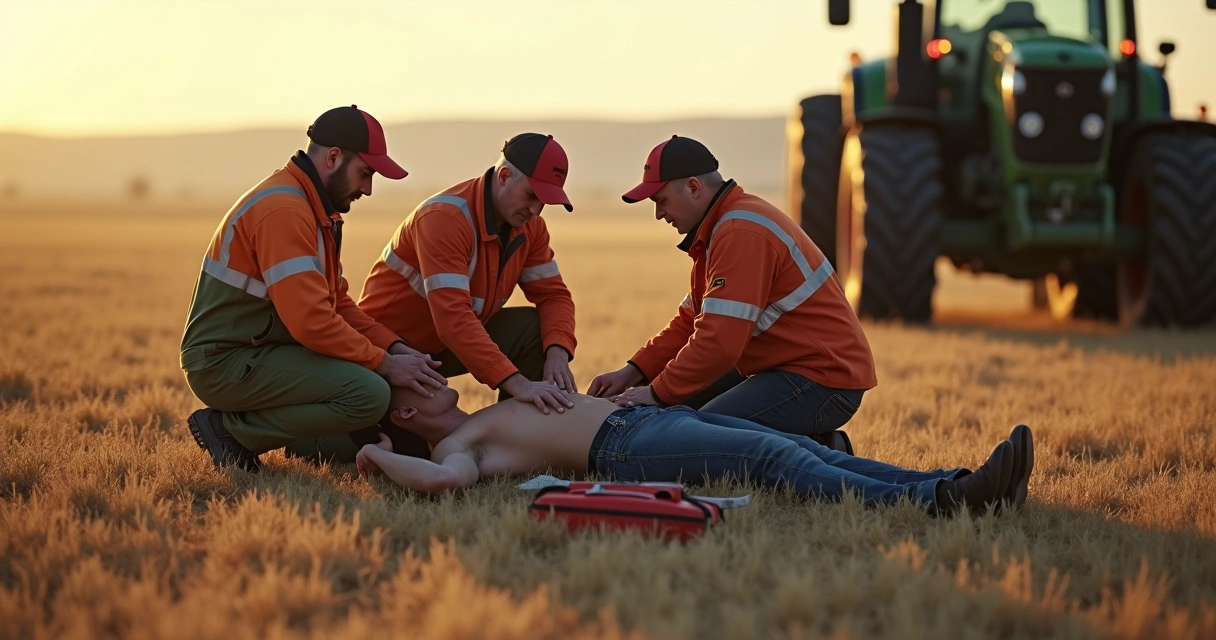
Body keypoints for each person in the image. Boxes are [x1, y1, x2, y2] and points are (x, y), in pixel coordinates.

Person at [179, 105, 445, 473]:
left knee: (368, 384)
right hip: (225, 362)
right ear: (333, 157)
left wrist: (397, 349)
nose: (367, 189)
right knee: (368, 393)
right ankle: (230, 432)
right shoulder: (284, 210)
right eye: (364, 173)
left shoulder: (315, 210)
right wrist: (385, 365)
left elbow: (338, 305)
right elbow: (313, 323)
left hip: (263, 352)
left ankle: (312, 441)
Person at [589, 136, 877, 453]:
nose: (659, 214)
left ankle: (822, 450)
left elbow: (719, 344)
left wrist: (657, 392)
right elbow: (690, 322)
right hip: (789, 370)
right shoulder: (720, 229)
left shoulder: (740, 231)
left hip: (823, 380)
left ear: (694, 188)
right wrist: (633, 373)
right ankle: (807, 445)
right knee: (677, 419)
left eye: (661, 200)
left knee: (699, 436)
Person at [355, 385, 1035, 518]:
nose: (435, 371)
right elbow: (444, 484)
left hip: (644, 427)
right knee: (781, 462)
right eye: (420, 378)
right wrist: (375, 458)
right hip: (625, 451)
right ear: (408, 411)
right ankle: (946, 502)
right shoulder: (462, 441)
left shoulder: (486, 408)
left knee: (794, 449)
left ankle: (958, 485)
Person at [349, 133, 579, 457]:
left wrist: (557, 352)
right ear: (504, 176)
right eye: (531, 195)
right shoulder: (445, 218)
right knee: (397, 448)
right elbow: (454, 319)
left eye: (544, 201)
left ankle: (517, 441)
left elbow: (554, 296)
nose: (536, 209)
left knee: (535, 329)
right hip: (389, 354)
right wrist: (517, 383)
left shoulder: (531, 227)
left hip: (439, 351)